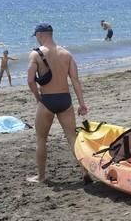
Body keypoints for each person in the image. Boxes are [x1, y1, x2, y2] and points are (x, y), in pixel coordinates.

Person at [27, 23, 89, 183]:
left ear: (40, 35)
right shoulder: (66, 54)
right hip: (65, 100)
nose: (37, 39)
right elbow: (75, 80)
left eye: (36, 36)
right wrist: (82, 104)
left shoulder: (35, 55)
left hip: (47, 100)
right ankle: (85, 171)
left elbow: (30, 81)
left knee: (41, 139)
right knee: (72, 137)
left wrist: (37, 98)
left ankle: (41, 177)